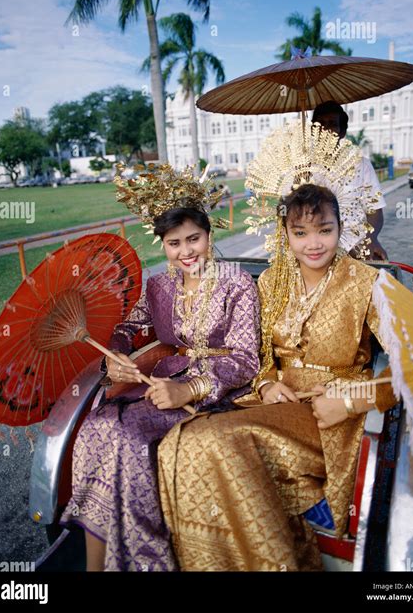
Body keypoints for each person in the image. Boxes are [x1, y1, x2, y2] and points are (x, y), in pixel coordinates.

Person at [157, 183, 396, 571]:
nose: (313, 244)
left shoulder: (366, 282)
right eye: (300, 233)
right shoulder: (270, 281)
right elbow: (260, 355)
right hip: (273, 404)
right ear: (285, 233)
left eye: (325, 229)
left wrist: (354, 401)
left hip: (329, 411)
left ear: (341, 227)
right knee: (180, 443)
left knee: (209, 439)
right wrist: (267, 383)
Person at [60, 164, 260, 571]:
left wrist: (192, 389)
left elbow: (245, 359)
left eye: (194, 239)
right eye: (174, 243)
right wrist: (115, 353)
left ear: (209, 235)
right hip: (165, 379)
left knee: (129, 435)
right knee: (98, 424)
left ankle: (147, 559)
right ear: (163, 245)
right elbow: (129, 326)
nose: (186, 252)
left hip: (215, 391)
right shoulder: (159, 285)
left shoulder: (237, 283)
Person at [312, 101, 388, 260]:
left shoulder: (361, 165)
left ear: (342, 131)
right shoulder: (302, 168)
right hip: (315, 250)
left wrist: (370, 240)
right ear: (313, 130)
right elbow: (289, 213)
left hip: (357, 247)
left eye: (332, 124)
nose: (325, 129)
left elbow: (375, 210)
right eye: (320, 124)